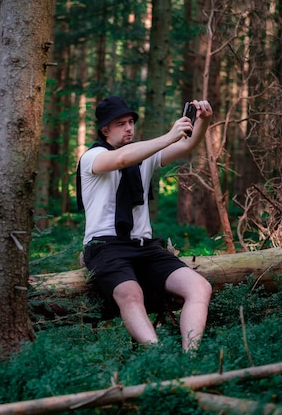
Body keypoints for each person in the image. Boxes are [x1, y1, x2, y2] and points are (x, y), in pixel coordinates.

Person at [76, 95, 213, 351]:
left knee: (199, 287)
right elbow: (121, 160)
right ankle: (158, 357)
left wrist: (203, 122)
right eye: (121, 124)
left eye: (131, 122)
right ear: (105, 129)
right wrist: (169, 136)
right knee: (130, 294)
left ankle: (191, 356)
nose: (129, 128)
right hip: (106, 247)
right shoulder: (92, 157)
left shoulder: (144, 153)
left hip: (145, 247)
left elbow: (185, 147)